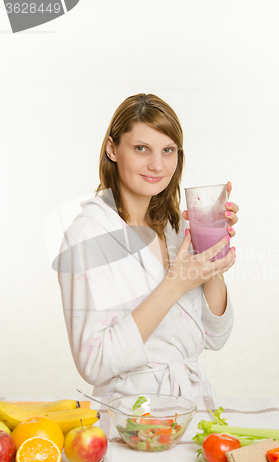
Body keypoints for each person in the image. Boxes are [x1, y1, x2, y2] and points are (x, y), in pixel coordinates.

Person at [57, 93, 239, 399]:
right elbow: (94, 362)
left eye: (168, 150)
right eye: (142, 148)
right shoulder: (88, 235)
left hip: (190, 407)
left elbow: (215, 336)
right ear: (112, 149)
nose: (157, 165)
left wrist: (211, 256)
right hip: (131, 416)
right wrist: (175, 284)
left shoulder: (176, 228)